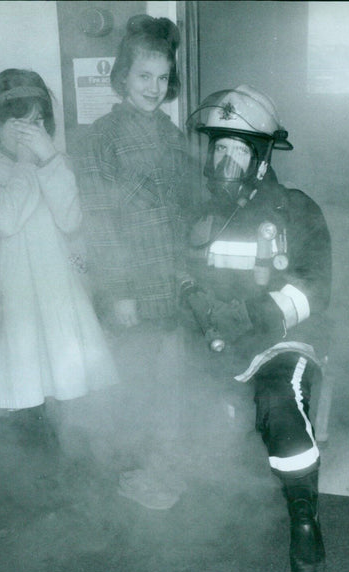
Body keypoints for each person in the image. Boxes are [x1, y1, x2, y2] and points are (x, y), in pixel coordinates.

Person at [182, 85, 332, 572]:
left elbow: (314, 289)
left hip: (279, 342)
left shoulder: (295, 210)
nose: (225, 160)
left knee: (277, 405)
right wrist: (198, 306)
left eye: (238, 149)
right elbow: (187, 276)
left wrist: (257, 316)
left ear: (261, 157)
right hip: (219, 342)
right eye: (219, 148)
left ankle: (304, 521)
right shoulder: (201, 215)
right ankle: (210, 515)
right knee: (181, 396)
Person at [73, 15, 200, 508]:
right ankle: (141, 475)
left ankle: (164, 470)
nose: (154, 86)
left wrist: (187, 267)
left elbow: (183, 210)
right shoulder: (100, 137)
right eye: (144, 76)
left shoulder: (171, 134)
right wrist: (117, 292)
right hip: (130, 286)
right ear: (122, 76)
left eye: (163, 78)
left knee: (169, 385)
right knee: (140, 387)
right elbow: (99, 223)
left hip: (170, 283)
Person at [0, 69, 117, 473]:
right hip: (12, 298)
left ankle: (72, 481)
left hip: (55, 294)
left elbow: (71, 220)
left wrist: (49, 160)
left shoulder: (56, 162)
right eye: (17, 124)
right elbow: (5, 218)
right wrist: (24, 162)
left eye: (36, 123)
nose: (28, 133)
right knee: (22, 393)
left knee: (67, 395)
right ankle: (29, 483)